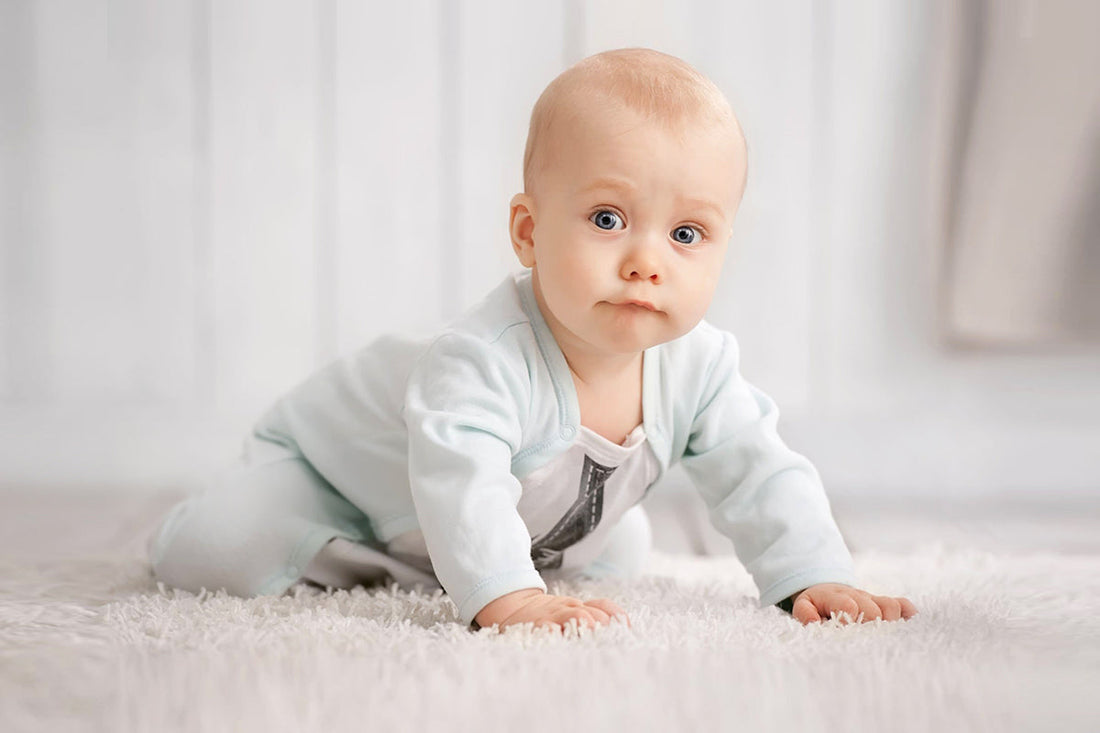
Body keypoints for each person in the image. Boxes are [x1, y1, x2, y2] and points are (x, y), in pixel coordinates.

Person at [148, 48, 916, 632]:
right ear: (529, 231)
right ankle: (335, 543)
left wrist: (811, 573)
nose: (646, 260)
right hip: (331, 478)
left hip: (494, 521)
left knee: (618, 552)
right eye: (608, 219)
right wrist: (505, 597)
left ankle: (444, 563)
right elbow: (464, 482)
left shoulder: (701, 366)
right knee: (224, 550)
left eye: (686, 232)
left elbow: (762, 473)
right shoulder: (482, 358)